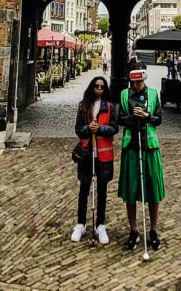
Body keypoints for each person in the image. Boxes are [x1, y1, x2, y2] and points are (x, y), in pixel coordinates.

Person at [117, 67, 165, 251]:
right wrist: (131, 117)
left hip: (149, 146)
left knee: (153, 186)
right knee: (131, 188)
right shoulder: (123, 95)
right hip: (131, 146)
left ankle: (153, 230)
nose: (137, 86)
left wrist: (147, 116)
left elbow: (158, 119)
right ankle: (133, 230)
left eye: (140, 82)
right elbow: (119, 119)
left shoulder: (153, 94)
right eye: (134, 83)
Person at [71, 76, 118, 245]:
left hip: (103, 155)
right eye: (96, 86)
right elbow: (78, 129)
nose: (99, 89)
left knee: (102, 191)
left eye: (102, 87)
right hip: (86, 153)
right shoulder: (83, 106)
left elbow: (114, 128)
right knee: (84, 189)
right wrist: (87, 128)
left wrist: (100, 129)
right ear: (92, 87)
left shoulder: (110, 107)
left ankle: (100, 225)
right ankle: (81, 223)